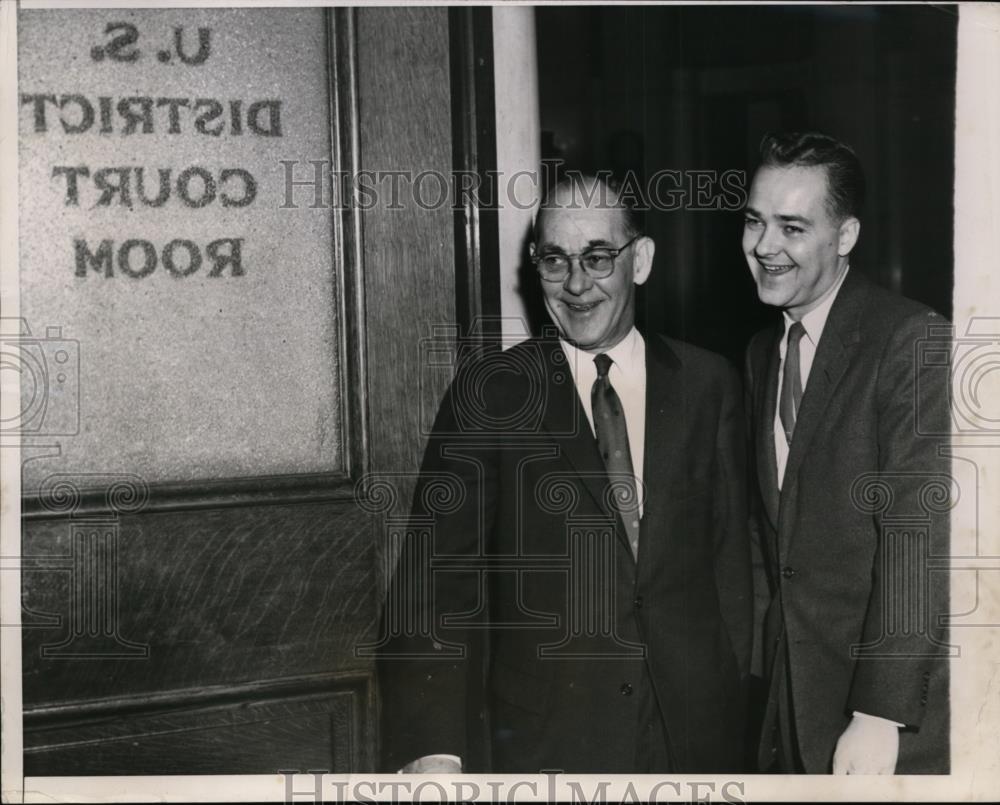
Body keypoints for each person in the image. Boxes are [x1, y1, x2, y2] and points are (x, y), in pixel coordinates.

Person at [376, 174, 753, 773]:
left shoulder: (710, 385)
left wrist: (738, 701)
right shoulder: (490, 394)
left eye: (598, 257)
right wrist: (433, 747)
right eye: (555, 261)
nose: (577, 284)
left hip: (695, 737)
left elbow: (737, 566)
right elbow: (434, 591)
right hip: (549, 742)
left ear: (642, 259)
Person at [742, 131, 950, 774]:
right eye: (754, 222)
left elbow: (917, 536)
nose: (765, 247)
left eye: (792, 227)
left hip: (876, 723)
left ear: (847, 236)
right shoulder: (758, 354)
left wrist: (879, 714)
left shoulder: (910, 339)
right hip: (788, 707)